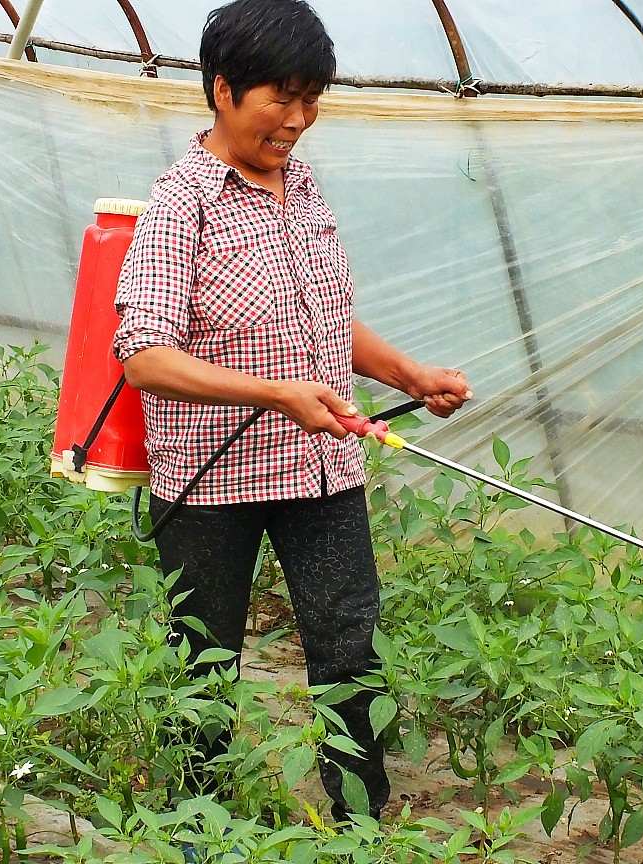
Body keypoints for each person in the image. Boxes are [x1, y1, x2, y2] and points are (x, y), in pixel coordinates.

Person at [112, 0, 472, 823]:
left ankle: (357, 823)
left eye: (313, 99)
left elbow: (322, 317)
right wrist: (276, 394)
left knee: (352, 648)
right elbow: (143, 354)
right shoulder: (183, 202)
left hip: (323, 463)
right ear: (223, 90)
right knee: (203, 661)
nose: (300, 121)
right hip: (210, 481)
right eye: (283, 97)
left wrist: (409, 374)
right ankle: (198, 828)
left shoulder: (303, 186)